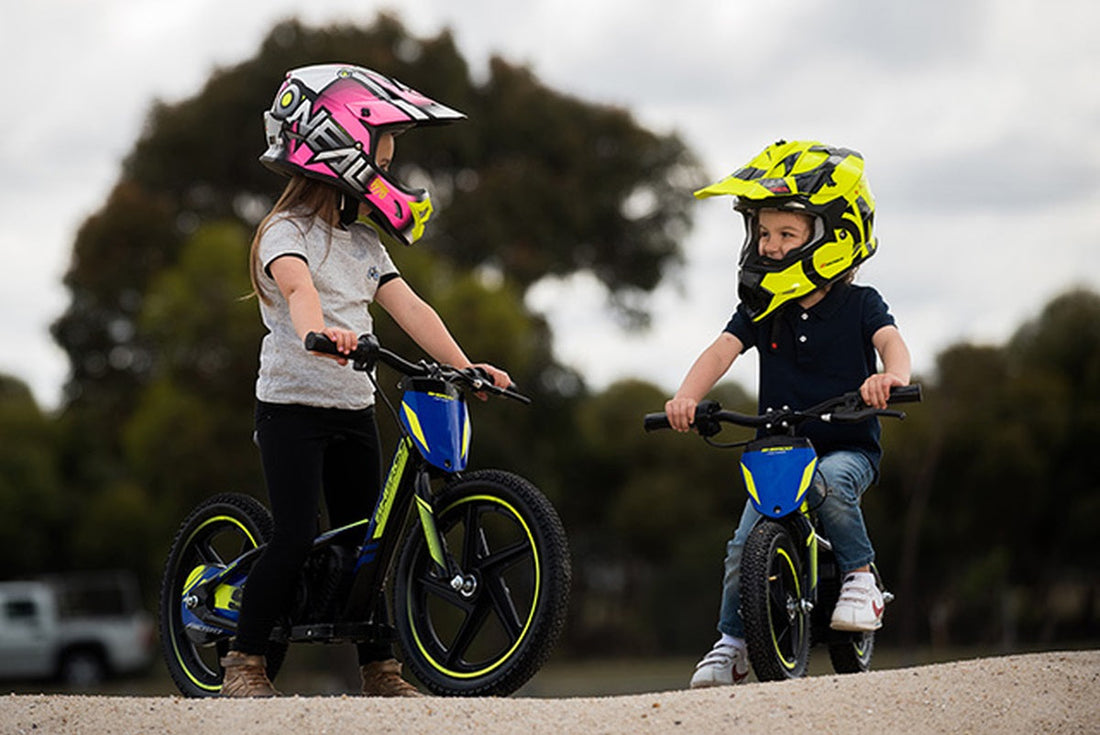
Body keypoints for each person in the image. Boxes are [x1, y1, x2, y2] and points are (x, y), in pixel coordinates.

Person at [221, 64, 511, 698]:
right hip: (292, 408)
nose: (389, 169)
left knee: (369, 541)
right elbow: (298, 288)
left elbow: (412, 309)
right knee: (295, 535)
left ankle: (381, 669)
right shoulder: (284, 232)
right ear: (338, 147)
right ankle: (244, 660)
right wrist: (320, 335)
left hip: (352, 406)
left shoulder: (364, 245)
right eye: (383, 153)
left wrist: (466, 366)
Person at [663, 140, 912, 688]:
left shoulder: (861, 303)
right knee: (741, 547)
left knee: (829, 481)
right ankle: (732, 643)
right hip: (780, 451)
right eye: (763, 233)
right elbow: (721, 351)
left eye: (786, 234)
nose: (770, 247)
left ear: (834, 237)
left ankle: (861, 579)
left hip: (847, 448)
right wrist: (686, 395)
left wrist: (890, 378)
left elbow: (893, 345)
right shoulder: (761, 309)